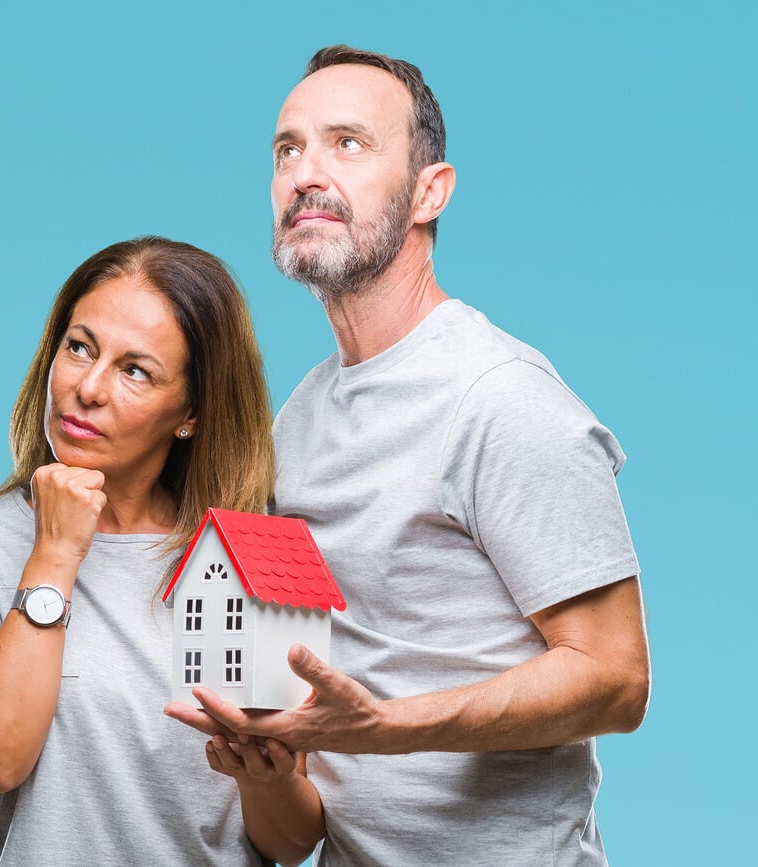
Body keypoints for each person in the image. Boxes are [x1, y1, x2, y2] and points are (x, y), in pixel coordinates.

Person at [164, 46, 650, 865]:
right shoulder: (300, 418)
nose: (306, 173)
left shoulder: (501, 398)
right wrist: (263, 764)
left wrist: (384, 729)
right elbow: (298, 804)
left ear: (431, 192)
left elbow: (616, 678)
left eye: (348, 143)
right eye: (288, 150)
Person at [0, 236, 322, 865]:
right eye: (79, 348)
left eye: (136, 370)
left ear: (189, 412)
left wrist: (265, 780)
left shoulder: (250, 554)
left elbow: (289, 845)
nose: (88, 388)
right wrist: (55, 552)